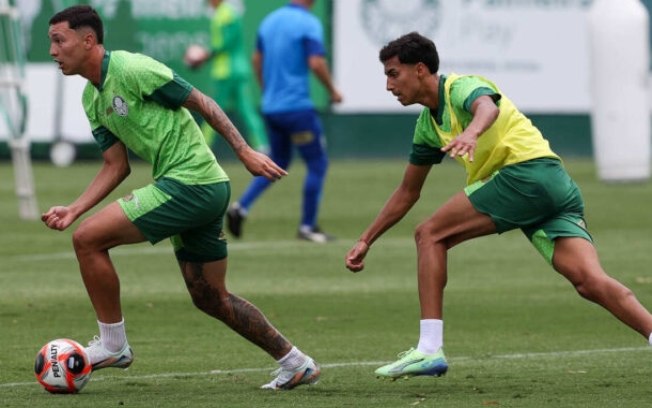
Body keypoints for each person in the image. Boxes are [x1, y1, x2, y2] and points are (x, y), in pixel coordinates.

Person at [345, 31, 652, 380]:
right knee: (589, 281)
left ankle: (429, 349)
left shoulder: (460, 87)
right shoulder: (427, 126)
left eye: (392, 73)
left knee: (430, 234)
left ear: (419, 70)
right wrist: (366, 238)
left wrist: (472, 132)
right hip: (553, 186)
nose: (388, 85)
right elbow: (407, 192)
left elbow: (487, 107)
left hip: (526, 176)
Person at [44, 5, 320, 390]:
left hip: (192, 183)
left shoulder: (132, 69)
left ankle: (113, 345)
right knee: (210, 298)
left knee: (87, 240)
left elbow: (201, 100)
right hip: (196, 189)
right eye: (50, 42)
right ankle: (296, 362)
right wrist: (74, 207)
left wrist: (243, 151)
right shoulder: (92, 100)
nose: (53, 51)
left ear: (88, 40)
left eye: (59, 40)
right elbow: (115, 165)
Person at [226, 0, 343, 243]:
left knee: (277, 161)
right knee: (317, 163)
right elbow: (316, 62)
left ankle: (241, 207)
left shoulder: (269, 20)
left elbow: (256, 59)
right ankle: (308, 227)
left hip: (272, 108)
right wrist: (332, 91)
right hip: (297, 109)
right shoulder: (308, 22)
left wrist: (267, 91)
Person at [184, 0, 269, 153]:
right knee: (245, 110)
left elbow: (227, 42)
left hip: (227, 73)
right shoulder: (223, 13)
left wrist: (205, 55)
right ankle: (263, 146)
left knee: (212, 111)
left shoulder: (226, 14)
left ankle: (202, 148)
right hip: (237, 71)